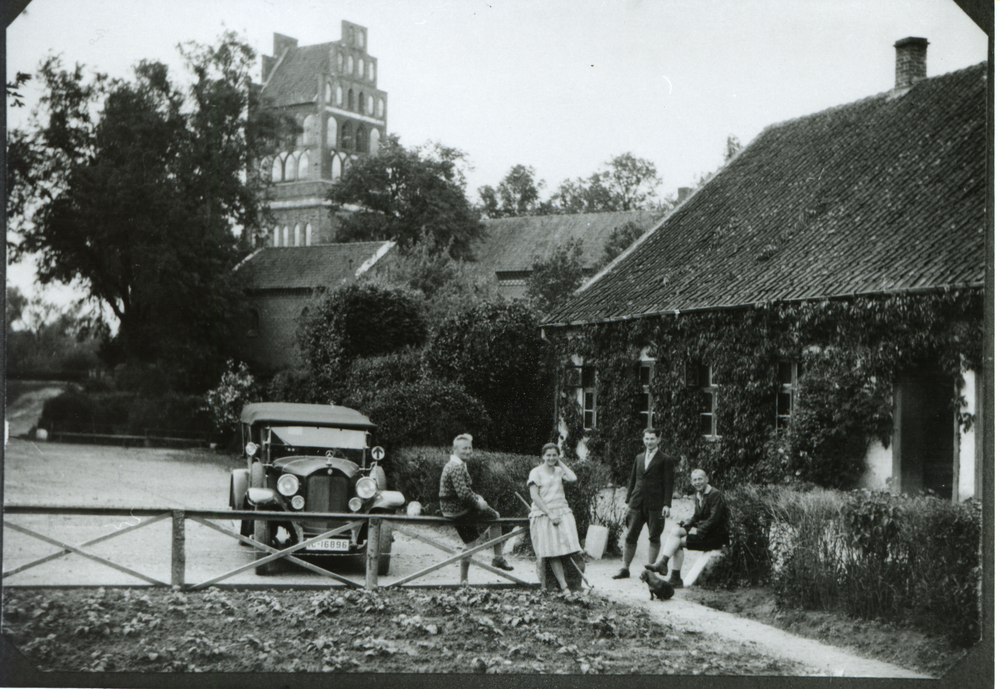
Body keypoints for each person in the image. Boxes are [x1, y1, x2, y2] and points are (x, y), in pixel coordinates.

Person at [439, 433, 514, 583]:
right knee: (494, 516)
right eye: (464, 448)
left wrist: (478, 497)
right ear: (454, 449)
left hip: (452, 508)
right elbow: (464, 495)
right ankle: (498, 557)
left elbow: (466, 490)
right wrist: (478, 503)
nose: (468, 451)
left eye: (469, 448)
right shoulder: (455, 467)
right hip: (457, 509)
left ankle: (463, 581)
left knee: (471, 544)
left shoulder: (458, 464)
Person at [645, 468, 729, 588]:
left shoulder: (715, 494)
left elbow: (714, 519)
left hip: (715, 537)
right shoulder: (699, 494)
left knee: (677, 543)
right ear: (691, 482)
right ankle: (664, 564)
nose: (697, 482)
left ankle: (673, 576)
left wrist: (697, 530)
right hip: (706, 533)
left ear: (707, 479)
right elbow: (696, 516)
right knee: (675, 531)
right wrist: (687, 523)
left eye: (700, 479)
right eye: (695, 480)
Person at [612, 428, 675, 579]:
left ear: (659, 439)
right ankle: (625, 568)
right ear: (643, 439)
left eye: (652, 439)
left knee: (654, 536)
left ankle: (649, 570)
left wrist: (666, 504)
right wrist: (628, 501)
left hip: (656, 504)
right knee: (630, 536)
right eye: (646, 439)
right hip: (637, 502)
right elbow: (633, 480)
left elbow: (669, 483)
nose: (649, 442)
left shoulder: (665, 459)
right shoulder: (639, 457)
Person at [527, 443, 581, 596]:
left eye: (554, 455)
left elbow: (573, 478)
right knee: (553, 551)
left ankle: (567, 583)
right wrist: (549, 513)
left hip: (562, 511)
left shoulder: (559, 471)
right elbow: (534, 496)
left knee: (568, 547)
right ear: (543, 456)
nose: (551, 458)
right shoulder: (535, 472)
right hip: (544, 514)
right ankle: (563, 586)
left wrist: (560, 462)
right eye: (548, 455)